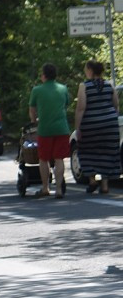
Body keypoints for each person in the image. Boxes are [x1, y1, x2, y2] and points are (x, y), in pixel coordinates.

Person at [75, 60, 120, 194]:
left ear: (90, 70)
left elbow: (81, 108)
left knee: (87, 151)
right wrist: (110, 118)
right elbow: (116, 105)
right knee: (108, 152)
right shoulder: (109, 85)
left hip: (91, 124)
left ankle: (92, 180)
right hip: (110, 124)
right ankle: (105, 185)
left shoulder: (84, 86)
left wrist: (77, 127)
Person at [29, 62, 70, 199]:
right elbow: (66, 105)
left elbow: (32, 111)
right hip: (62, 128)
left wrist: (34, 121)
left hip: (45, 128)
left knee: (44, 158)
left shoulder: (37, 90)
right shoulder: (63, 88)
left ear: (44, 75)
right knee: (59, 159)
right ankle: (58, 189)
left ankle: (45, 187)